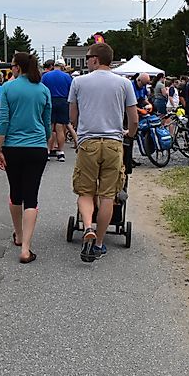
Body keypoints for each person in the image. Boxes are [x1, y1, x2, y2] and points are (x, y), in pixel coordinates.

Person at [69, 42, 138, 263]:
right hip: (113, 143)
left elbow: (73, 116)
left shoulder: (78, 82)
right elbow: (133, 117)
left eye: (88, 57)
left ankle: (87, 226)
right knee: (108, 195)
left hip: (88, 142)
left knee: (85, 191)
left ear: (96, 59)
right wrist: (129, 133)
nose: (87, 60)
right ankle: (99, 242)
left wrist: (81, 128)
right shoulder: (124, 83)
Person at [0, 52, 51, 264]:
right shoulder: (43, 90)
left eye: (12, 66)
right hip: (36, 147)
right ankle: (26, 248)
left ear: (18, 67)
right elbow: (47, 125)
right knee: (32, 195)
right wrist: (43, 141)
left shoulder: (7, 88)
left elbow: (3, 121)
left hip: (12, 147)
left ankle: (18, 234)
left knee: (15, 192)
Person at [41, 58, 73, 162]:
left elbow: (42, 90)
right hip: (63, 101)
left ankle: (48, 151)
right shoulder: (67, 77)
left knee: (50, 127)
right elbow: (71, 91)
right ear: (63, 66)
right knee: (60, 128)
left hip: (50, 101)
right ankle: (60, 152)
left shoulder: (46, 76)